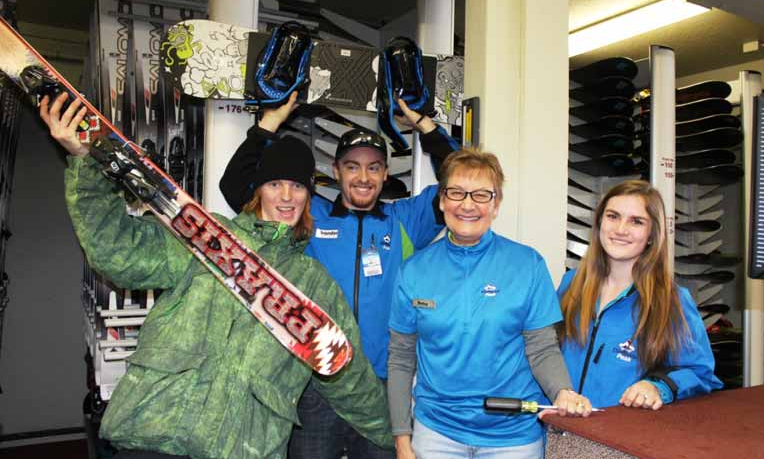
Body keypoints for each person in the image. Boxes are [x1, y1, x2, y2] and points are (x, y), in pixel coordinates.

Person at [40, 92, 393, 459]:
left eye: (298, 186)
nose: (286, 196)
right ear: (258, 190)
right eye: (275, 184)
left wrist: (397, 438)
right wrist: (84, 161)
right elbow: (116, 251)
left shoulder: (313, 282)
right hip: (153, 434)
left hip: (242, 447)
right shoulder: (205, 237)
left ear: (309, 196)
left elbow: (350, 379)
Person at [220, 92, 459, 459]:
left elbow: (459, 180)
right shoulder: (309, 215)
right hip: (315, 388)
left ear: (385, 173)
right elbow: (237, 187)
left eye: (374, 167)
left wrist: (424, 125)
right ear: (336, 171)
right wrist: (269, 122)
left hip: (380, 388)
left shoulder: (405, 220)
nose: (363, 177)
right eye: (352, 166)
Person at [388, 148, 592, 459]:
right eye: (456, 192)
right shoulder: (414, 270)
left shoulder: (527, 265)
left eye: (481, 195)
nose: (467, 204)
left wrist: (562, 391)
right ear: (441, 200)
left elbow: (541, 348)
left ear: (495, 205)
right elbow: (401, 358)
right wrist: (402, 438)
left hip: (513, 437)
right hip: (436, 433)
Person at [557, 180, 723, 411]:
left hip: (616, 437)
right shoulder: (571, 285)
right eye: (613, 216)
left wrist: (657, 387)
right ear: (599, 224)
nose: (620, 229)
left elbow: (701, 373)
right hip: (558, 427)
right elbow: (545, 354)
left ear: (652, 234)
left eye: (636, 221)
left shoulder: (671, 300)